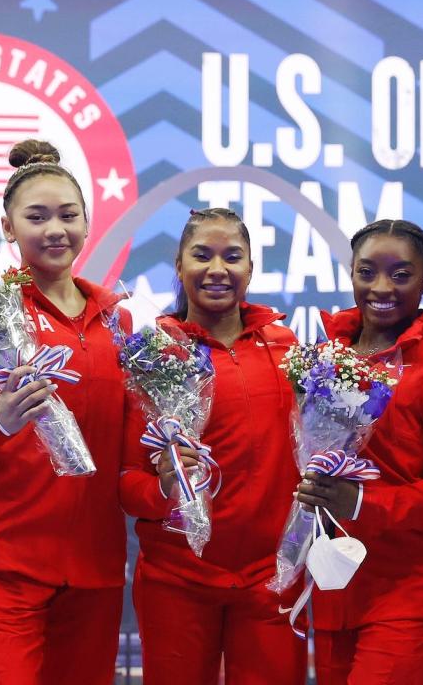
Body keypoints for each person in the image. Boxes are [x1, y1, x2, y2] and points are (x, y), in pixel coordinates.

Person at [0, 140, 130, 685]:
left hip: (97, 565)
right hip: (9, 560)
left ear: (87, 222)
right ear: (8, 228)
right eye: (36, 217)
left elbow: (132, 445)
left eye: (68, 215)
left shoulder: (119, 325)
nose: (55, 229)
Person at [119, 208, 307, 685]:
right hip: (176, 580)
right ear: (179, 267)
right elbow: (127, 484)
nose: (217, 269)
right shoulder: (151, 355)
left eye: (232, 257)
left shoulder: (288, 349)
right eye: (201, 255)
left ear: (250, 268)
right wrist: (163, 485)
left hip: (272, 577)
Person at [296, 219, 423, 685]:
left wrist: (364, 504)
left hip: (406, 588)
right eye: (367, 271)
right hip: (333, 583)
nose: (381, 287)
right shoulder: (322, 358)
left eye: (401, 275)